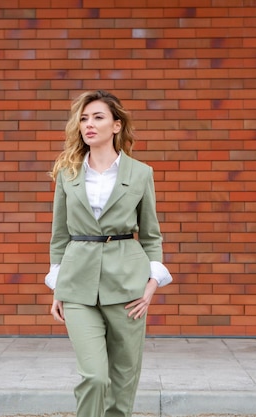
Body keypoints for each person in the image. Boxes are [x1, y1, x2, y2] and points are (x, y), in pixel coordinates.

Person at [44, 90, 172, 417]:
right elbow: (59, 235)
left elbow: (151, 234)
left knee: (124, 379)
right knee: (95, 377)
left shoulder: (141, 174)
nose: (89, 124)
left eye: (98, 117)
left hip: (128, 287)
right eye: (84, 118)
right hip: (77, 285)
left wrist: (151, 285)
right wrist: (58, 285)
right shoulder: (67, 173)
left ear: (116, 126)